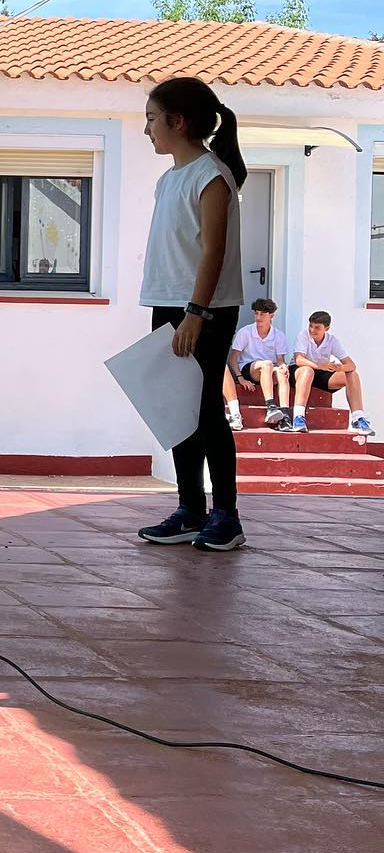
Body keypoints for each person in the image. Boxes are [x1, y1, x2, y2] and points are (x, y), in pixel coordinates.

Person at [136, 76, 247, 552]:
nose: (147, 131)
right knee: (178, 411)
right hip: (169, 305)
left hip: (204, 310)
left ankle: (227, 515)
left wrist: (196, 313)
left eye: (152, 119)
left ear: (177, 122)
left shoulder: (212, 175)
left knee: (205, 413)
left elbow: (213, 251)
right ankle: (190, 510)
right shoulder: (169, 179)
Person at [292, 311, 373, 435]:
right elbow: (299, 360)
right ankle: (298, 417)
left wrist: (338, 368)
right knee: (307, 371)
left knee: (352, 374)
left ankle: (358, 418)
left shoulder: (332, 340)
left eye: (317, 327)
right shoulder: (303, 336)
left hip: (321, 373)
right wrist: (320, 366)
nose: (312, 330)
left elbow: (351, 365)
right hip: (301, 371)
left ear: (327, 328)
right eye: (310, 326)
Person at [227, 298, 290, 431]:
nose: (258, 317)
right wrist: (240, 378)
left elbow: (280, 360)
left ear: (272, 315)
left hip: (268, 372)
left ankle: (284, 416)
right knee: (267, 364)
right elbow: (233, 359)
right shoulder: (245, 332)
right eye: (256, 313)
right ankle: (271, 406)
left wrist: (283, 365)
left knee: (281, 372)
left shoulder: (279, 335)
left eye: (263, 314)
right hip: (249, 369)